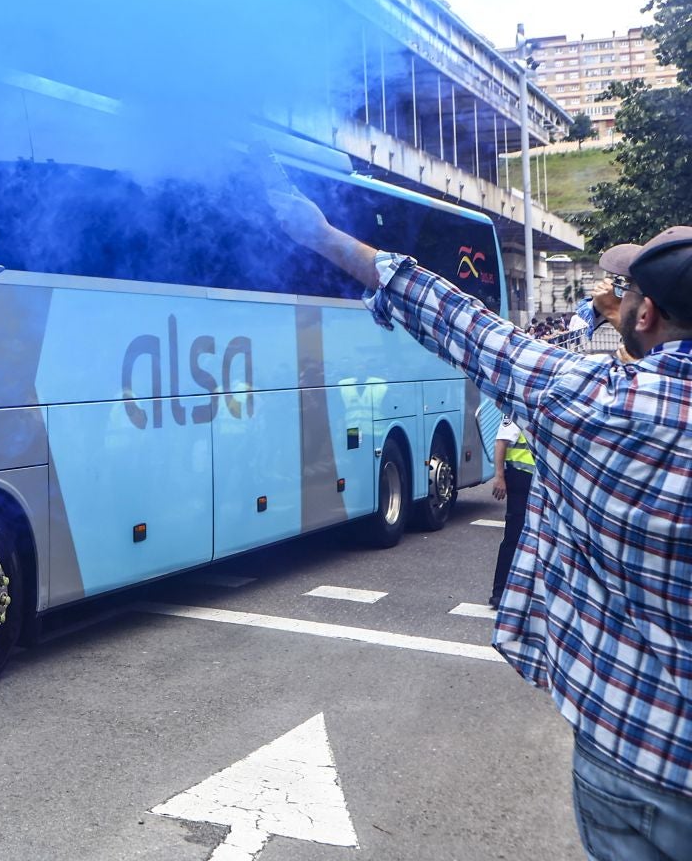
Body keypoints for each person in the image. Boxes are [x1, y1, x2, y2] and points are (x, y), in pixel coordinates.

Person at [274, 187, 692, 860]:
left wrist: (322, 237)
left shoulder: (591, 402)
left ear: (645, 315)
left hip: (635, 758)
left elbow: (464, 324)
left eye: (627, 291)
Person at [489, 414, 534, 610]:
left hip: (541, 482)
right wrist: (499, 476)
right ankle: (499, 592)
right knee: (514, 537)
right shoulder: (517, 409)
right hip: (520, 479)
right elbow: (501, 442)